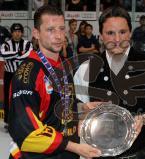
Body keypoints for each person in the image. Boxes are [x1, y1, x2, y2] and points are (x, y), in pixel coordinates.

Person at [74, 6, 145, 159]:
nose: (117, 39)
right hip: (99, 154)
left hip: (141, 154)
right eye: (110, 33)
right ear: (101, 35)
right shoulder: (86, 69)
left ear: (130, 33)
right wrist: (82, 111)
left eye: (122, 32)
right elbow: (74, 109)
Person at [8, 5, 101, 159]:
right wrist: (74, 147)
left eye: (61, 29)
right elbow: (26, 131)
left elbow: (61, 101)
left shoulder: (63, 64)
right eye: (51, 30)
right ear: (36, 33)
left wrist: (82, 106)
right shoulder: (27, 73)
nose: (59, 36)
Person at [0, 23, 32, 132]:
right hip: (9, 74)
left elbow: (28, 55)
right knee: (8, 98)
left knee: (23, 97)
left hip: (23, 74)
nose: (17, 33)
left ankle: (24, 121)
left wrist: (13, 57)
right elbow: (4, 54)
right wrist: (19, 53)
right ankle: (9, 122)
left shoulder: (28, 43)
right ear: (12, 33)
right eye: (15, 31)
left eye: (19, 31)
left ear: (22, 33)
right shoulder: (6, 44)